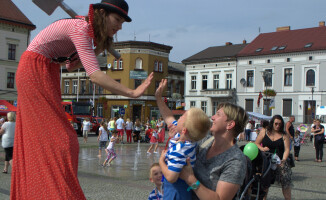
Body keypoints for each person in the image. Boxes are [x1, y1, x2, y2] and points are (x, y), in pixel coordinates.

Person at [11, 0, 153, 199]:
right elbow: (94, 74)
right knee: (63, 140)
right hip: (35, 68)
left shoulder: (85, 33)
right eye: (118, 19)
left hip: (49, 69)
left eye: (123, 23)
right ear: (102, 13)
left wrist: (98, 48)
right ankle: (51, 191)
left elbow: (70, 66)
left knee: (64, 141)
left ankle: (49, 189)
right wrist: (132, 92)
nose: (120, 26)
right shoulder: (79, 28)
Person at [178, 102, 248, 200]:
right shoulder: (205, 141)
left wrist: (190, 179)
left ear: (230, 124)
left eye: (218, 114)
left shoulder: (236, 160)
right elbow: (173, 123)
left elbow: (219, 198)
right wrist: (159, 98)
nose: (212, 117)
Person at [155, 79, 211, 199]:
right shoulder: (184, 138)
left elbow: (171, 177)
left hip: (176, 194)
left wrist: (160, 161)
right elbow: (168, 116)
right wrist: (158, 97)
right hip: (177, 191)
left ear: (184, 129)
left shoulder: (180, 149)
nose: (178, 118)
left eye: (181, 117)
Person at [255, 115, 292, 200]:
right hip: (266, 161)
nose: (277, 126)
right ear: (272, 123)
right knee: (264, 184)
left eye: (280, 124)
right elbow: (256, 143)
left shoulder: (284, 135)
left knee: (285, 183)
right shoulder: (265, 131)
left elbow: (287, 150)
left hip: (279, 161)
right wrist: (262, 148)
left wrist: (283, 160)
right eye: (276, 124)